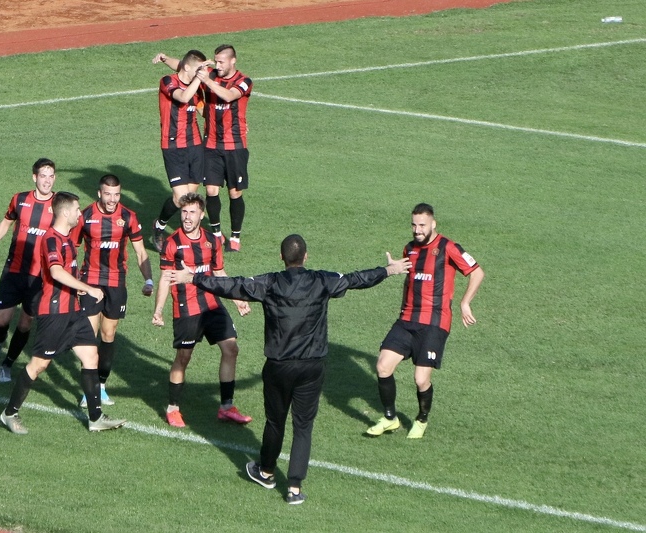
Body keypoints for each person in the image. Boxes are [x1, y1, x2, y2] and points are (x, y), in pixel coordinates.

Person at [168, 234, 411, 504]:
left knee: (275, 422)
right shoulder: (321, 280)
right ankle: (294, 489)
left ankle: (267, 471)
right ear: (305, 257)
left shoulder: (270, 283)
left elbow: (232, 285)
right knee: (303, 426)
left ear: (282, 257)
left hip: (279, 367)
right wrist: (390, 270)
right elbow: (357, 279)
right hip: (312, 366)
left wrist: (193, 278)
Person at [0, 191, 126, 434]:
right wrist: (88, 288)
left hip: (74, 312)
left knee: (91, 357)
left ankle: (95, 418)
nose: (80, 213)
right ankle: (9, 413)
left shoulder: (67, 239)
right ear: (66, 212)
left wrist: (78, 291)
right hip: (54, 313)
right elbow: (56, 273)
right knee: (38, 366)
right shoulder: (51, 240)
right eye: (77, 210)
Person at [367, 203, 485, 439]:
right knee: (382, 366)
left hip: (435, 322)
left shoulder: (448, 247)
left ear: (433, 224)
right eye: (414, 225)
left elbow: (476, 272)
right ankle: (390, 418)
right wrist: (394, 272)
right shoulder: (409, 248)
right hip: (408, 318)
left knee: (421, 379)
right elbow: (408, 280)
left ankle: (421, 419)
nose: (417, 230)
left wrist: (465, 303)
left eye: (422, 225)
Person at [151, 192, 251, 428]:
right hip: (187, 307)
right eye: (184, 212)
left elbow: (219, 273)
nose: (186, 217)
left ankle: (226, 407)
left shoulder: (212, 241)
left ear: (201, 215)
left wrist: (236, 299)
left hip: (212, 304)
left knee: (231, 348)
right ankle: (173, 408)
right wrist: (159, 310)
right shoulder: (172, 242)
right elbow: (166, 277)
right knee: (184, 357)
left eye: (192, 212)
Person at [155, 45, 253, 252]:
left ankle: (224, 237)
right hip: (191, 145)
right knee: (195, 195)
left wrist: (204, 78)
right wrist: (167, 60)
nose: (215, 66)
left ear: (232, 61)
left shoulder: (241, 81)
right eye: (214, 63)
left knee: (218, 194)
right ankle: (167, 228)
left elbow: (223, 98)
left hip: (215, 145)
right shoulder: (179, 80)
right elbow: (184, 72)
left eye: (220, 62)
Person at [70, 174, 154, 408]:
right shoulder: (85, 216)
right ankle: (89, 391)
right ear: (99, 193)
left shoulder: (128, 216)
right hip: (91, 281)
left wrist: (148, 279)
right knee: (89, 336)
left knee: (108, 334)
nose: (112, 199)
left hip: (117, 282)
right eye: (108, 194)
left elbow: (140, 253)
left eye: (116, 195)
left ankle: (102, 386)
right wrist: (75, 282)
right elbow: (72, 250)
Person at [0, 158, 55, 383]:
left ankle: (7, 364)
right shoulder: (20, 199)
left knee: (25, 324)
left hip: (40, 277)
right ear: (34, 177)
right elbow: (7, 221)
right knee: (2, 320)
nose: (47, 181)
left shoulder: (59, 205)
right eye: (43, 176)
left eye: (51, 176)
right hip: (13, 270)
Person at [150, 50, 207, 253]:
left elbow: (203, 111)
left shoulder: (196, 84)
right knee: (182, 199)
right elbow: (182, 97)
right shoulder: (167, 81)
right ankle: (163, 229)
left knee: (188, 196)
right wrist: (198, 79)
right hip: (173, 146)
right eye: (199, 69)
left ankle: (165, 226)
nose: (204, 73)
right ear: (189, 68)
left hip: (195, 145)